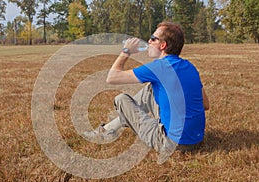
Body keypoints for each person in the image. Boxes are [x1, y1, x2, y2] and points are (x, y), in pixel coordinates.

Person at [84, 21, 209, 164]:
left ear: (163, 45)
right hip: (197, 140)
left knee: (121, 100)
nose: (148, 41)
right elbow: (205, 104)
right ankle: (107, 129)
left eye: (153, 38)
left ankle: (105, 131)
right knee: (150, 89)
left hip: (171, 144)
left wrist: (126, 51)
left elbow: (111, 77)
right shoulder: (190, 67)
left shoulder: (159, 67)